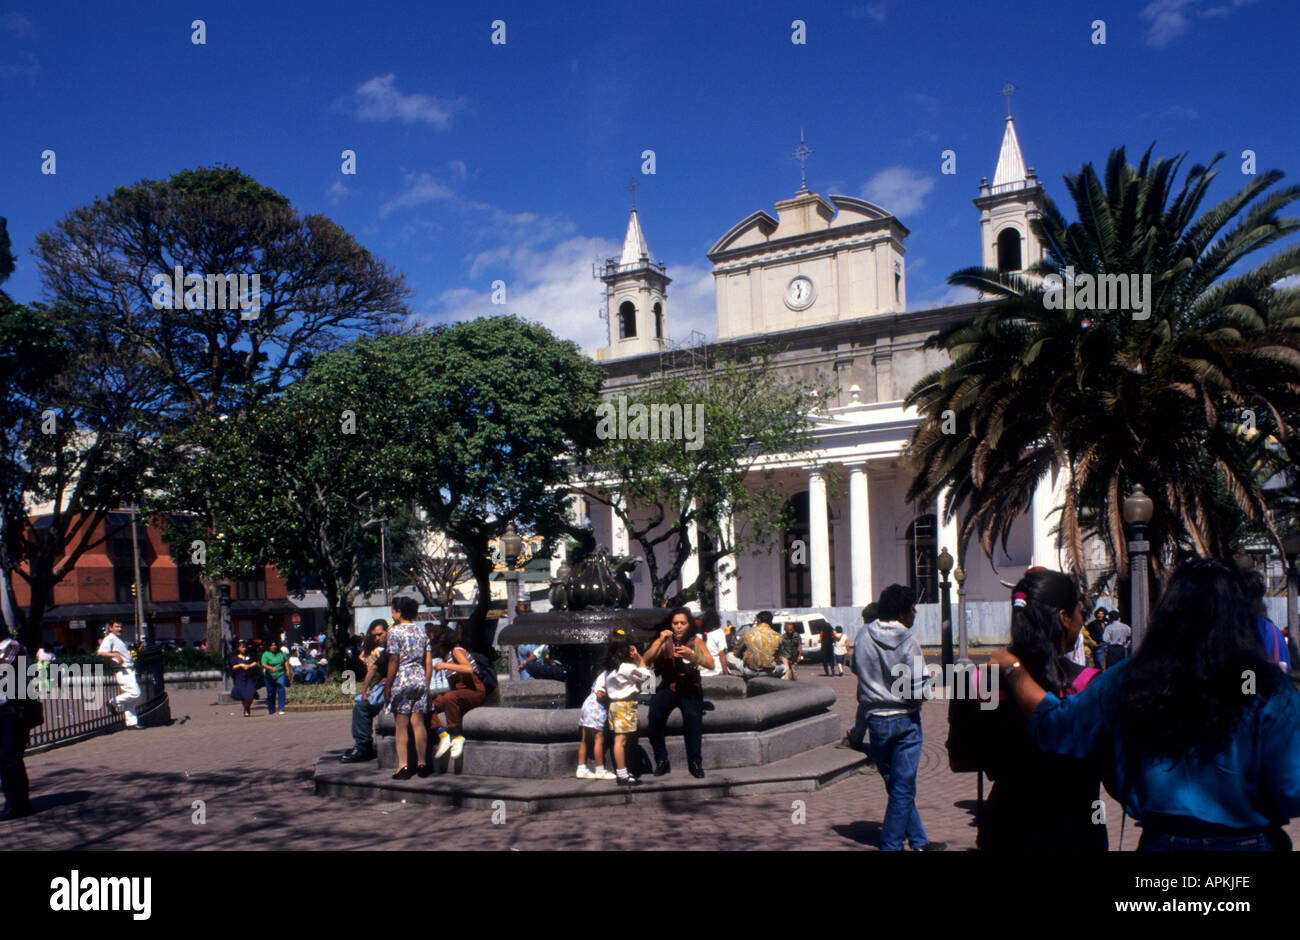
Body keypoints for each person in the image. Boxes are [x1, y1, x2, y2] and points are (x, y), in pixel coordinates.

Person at [992, 558, 1300, 851]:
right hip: (1249, 842)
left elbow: (1056, 727)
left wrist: (1013, 668)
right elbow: (1292, 789)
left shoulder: (1129, 679)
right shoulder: (1272, 690)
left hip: (1162, 841)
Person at [947, 568, 1105, 851]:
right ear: (1063, 617)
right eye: (1079, 612)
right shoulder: (1088, 684)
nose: (1082, 620)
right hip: (1074, 827)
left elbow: (960, 760)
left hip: (1005, 824)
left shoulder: (971, 681)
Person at [853, 584, 943, 851]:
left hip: (876, 720)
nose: (916, 613)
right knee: (902, 788)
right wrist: (930, 685)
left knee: (897, 786)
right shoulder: (907, 641)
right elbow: (916, 690)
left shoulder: (862, 635)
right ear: (903, 612)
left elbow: (857, 671)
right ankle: (891, 845)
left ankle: (919, 841)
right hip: (905, 721)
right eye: (913, 608)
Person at [644, 606, 714, 778]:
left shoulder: (695, 641)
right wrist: (660, 640)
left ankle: (695, 763)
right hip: (669, 686)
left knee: (692, 718)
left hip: (690, 687)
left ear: (689, 624)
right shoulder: (665, 640)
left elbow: (711, 664)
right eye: (676, 623)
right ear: (670, 625)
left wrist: (693, 655)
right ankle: (662, 761)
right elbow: (646, 660)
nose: (679, 627)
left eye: (683, 623)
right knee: (654, 715)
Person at [384, 598, 432, 779]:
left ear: (399, 612)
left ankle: (403, 766)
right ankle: (422, 764)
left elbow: (393, 660)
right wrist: (426, 683)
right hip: (419, 679)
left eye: (393, 610)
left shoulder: (394, 632)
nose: (392, 613)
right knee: (418, 723)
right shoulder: (421, 632)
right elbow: (428, 661)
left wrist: (387, 685)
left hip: (402, 680)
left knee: (401, 726)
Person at [429, 624, 487, 761]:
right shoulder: (446, 656)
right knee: (427, 705)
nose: (430, 645)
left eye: (432, 641)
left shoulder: (456, 651)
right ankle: (443, 735)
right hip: (459, 695)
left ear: (440, 641)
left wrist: (445, 665)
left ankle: (457, 735)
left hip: (474, 692)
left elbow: (468, 669)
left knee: (450, 697)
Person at [605, 632, 652, 786]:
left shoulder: (611, 668)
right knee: (621, 740)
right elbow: (648, 681)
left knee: (621, 740)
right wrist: (639, 658)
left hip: (616, 705)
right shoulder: (626, 667)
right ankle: (622, 775)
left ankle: (623, 771)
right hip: (624, 705)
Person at [340, 620, 390, 763]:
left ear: (388, 631)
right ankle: (363, 746)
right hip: (384, 689)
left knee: (363, 708)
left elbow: (375, 669)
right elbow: (374, 668)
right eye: (375, 636)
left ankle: (362, 747)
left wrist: (386, 681)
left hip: (396, 691)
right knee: (361, 705)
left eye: (380, 634)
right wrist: (364, 691)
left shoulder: (393, 647)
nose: (377, 638)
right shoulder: (385, 650)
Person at [0, 624, 31, 819]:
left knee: (10, 758)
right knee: (4, 760)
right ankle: (12, 801)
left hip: (11, 710)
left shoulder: (14, 647)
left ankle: (18, 805)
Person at [98, 622, 142, 729]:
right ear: (111, 628)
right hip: (122, 671)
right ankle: (113, 702)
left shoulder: (120, 639)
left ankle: (131, 723)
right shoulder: (110, 638)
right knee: (135, 693)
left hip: (129, 670)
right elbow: (101, 652)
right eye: (117, 627)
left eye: (121, 627)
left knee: (131, 699)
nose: (119, 629)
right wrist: (115, 655)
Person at [576, 655, 614, 781]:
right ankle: (600, 769)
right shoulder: (607, 674)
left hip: (587, 705)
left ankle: (581, 768)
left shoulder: (601, 674)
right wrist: (611, 699)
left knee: (585, 739)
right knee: (599, 739)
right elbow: (600, 694)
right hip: (596, 708)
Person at [729, 612, 784, 678]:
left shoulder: (748, 632)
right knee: (784, 668)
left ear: (758, 620)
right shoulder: (778, 636)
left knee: (728, 655)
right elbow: (777, 656)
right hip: (769, 672)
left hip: (750, 671)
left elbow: (736, 653)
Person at [228, 640, 260, 717]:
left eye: (245, 647)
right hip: (240, 678)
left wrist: (249, 666)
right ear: (238, 648)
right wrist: (241, 665)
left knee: (251, 693)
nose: (244, 648)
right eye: (242, 647)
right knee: (244, 695)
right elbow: (233, 667)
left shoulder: (249, 655)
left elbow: (256, 662)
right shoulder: (235, 658)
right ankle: (246, 709)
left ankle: (248, 707)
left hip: (249, 677)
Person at [260, 640, 289, 716]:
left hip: (280, 673)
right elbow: (263, 664)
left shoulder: (281, 653)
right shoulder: (266, 654)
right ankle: (271, 709)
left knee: (281, 688)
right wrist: (271, 668)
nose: (274, 647)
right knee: (271, 692)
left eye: (275, 645)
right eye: (272, 645)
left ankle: (281, 708)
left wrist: (288, 671)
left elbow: (285, 661)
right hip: (269, 676)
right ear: (269, 646)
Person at [699, 611, 729, 677]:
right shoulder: (719, 632)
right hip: (716, 670)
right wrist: (726, 672)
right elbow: (722, 655)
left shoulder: (699, 635)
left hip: (702, 670)